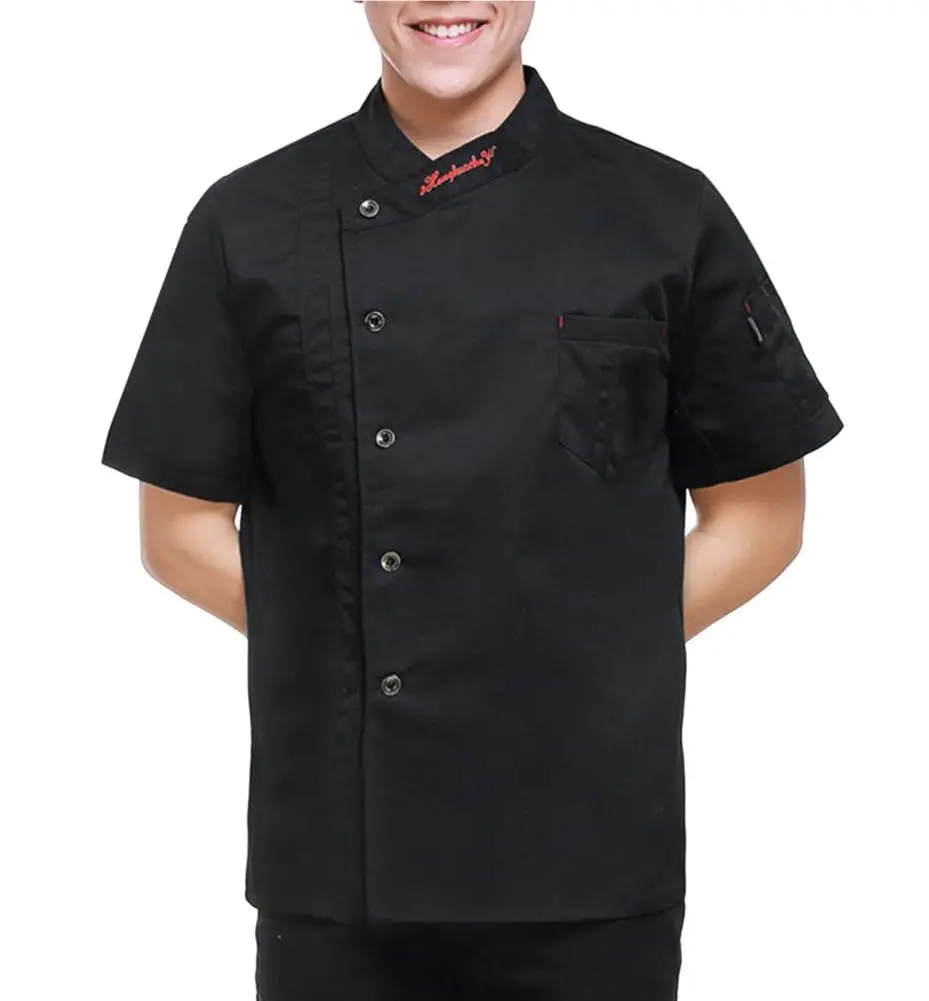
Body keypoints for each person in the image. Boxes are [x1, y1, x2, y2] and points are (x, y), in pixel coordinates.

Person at [100, 2, 845, 998]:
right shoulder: (251, 219)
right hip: (338, 854)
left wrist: (581, 655)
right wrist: (358, 641)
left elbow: (761, 514)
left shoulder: (662, 212)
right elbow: (177, 528)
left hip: (589, 841)